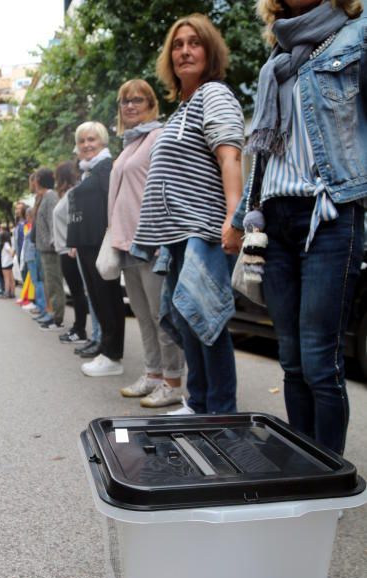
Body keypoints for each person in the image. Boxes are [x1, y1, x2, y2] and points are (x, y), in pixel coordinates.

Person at [228, 0, 366, 455]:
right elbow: (266, 148)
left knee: (319, 361)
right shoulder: (277, 56)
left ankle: (330, 479)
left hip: (329, 213)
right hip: (274, 219)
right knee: (290, 361)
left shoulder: (357, 33)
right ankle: (305, 468)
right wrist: (245, 212)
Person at [132, 13, 245, 414]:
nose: (184, 51)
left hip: (204, 229)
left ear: (209, 50)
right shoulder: (182, 109)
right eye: (177, 45)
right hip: (179, 236)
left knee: (208, 323)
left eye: (194, 43)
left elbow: (230, 153)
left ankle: (220, 413)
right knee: (189, 322)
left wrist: (234, 217)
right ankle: (198, 403)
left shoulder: (213, 94)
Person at [110, 79, 184, 407]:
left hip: (151, 241)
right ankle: (153, 374)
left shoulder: (158, 136)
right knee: (142, 314)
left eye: (138, 99)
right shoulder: (129, 145)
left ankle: (173, 380)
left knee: (160, 315)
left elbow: (169, 185)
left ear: (152, 104)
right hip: (126, 243)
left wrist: (164, 236)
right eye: (125, 101)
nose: (130, 106)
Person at [67, 121, 125, 377]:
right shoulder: (89, 171)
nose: (86, 145)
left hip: (100, 244)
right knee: (98, 299)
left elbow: (112, 205)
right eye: (82, 141)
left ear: (102, 141)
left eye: (92, 140)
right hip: (87, 245)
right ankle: (106, 349)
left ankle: (113, 355)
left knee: (107, 299)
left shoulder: (104, 169)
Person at [53, 161, 89, 344]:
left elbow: (75, 221)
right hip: (64, 248)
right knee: (75, 291)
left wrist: (73, 244)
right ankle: (78, 327)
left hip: (70, 249)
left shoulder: (72, 194)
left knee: (77, 292)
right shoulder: (66, 196)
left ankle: (80, 329)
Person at [34, 167, 65, 331]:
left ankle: (57, 317)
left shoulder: (50, 197)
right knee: (49, 283)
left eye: (36, 178)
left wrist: (53, 242)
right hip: (44, 248)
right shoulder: (44, 197)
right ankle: (52, 313)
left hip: (50, 249)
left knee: (54, 284)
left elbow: (54, 221)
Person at [0, 231, 16, 298]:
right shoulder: (9, 243)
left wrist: (12, 253)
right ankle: (12, 293)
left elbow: (11, 252)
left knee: (6, 279)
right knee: (11, 278)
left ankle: (6, 293)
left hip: (5, 263)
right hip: (9, 262)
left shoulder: (5, 244)